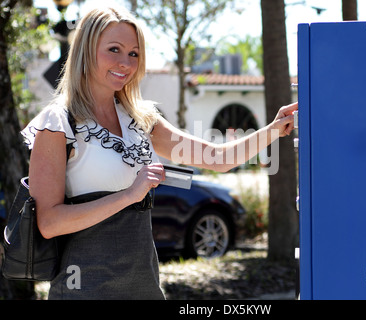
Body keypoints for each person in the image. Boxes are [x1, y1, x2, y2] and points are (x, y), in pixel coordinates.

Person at [21, 6, 298, 300]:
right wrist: (129, 195)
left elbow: (217, 159)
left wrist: (272, 129)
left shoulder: (142, 119)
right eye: (113, 49)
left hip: (144, 286)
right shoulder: (57, 123)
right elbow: (49, 223)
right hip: (83, 288)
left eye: (134, 53)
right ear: (86, 51)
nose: (125, 62)